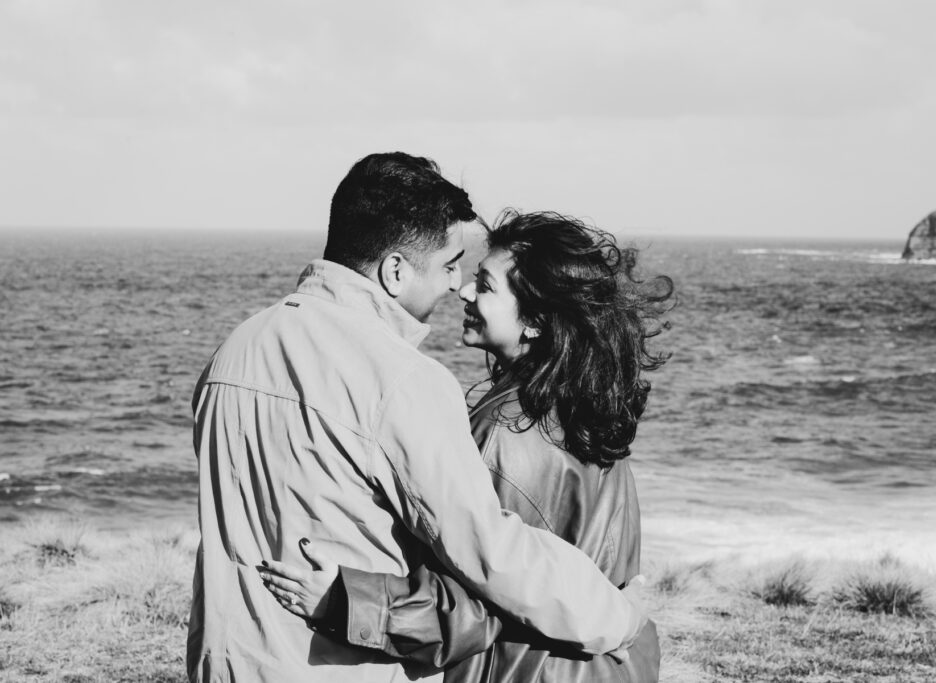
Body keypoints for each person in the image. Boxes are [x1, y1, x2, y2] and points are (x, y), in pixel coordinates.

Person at [187, 153, 647, 683]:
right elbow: (490, 552)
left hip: (223, 661)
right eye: (450, 264)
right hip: (336, 666)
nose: (456, 284)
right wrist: (619, 617)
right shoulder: (402, 381)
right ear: (396, 271)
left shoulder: (234, 351)